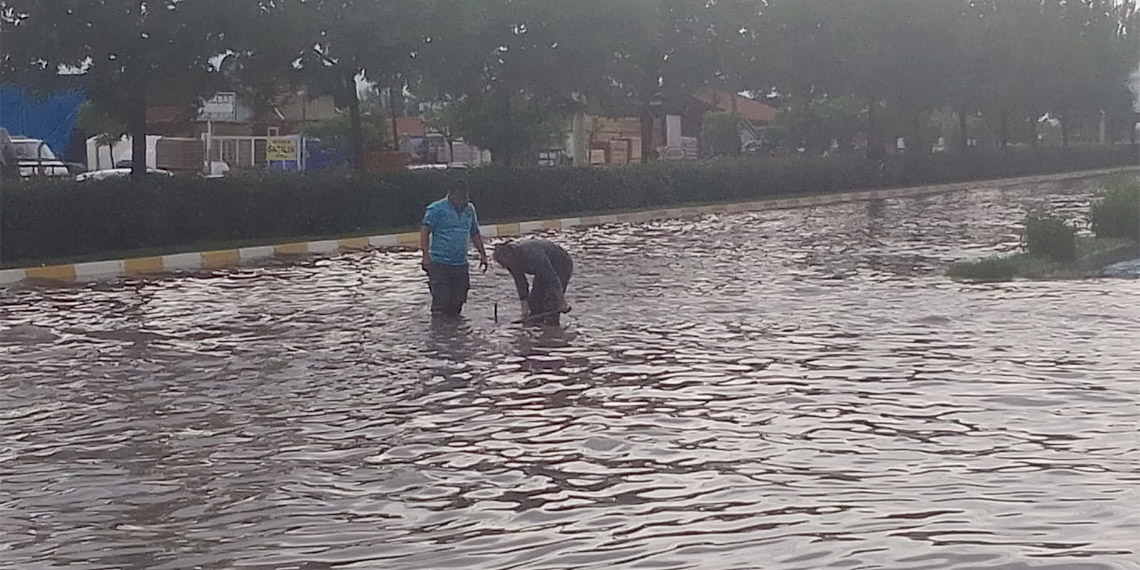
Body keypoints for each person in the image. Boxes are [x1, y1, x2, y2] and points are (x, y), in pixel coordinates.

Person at [420, 180, 488, 317]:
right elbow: (424, 232)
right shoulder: (436, 209)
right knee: (441, 301)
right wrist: (425, 255)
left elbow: (474, 233)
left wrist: (483, 255)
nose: (463, 200)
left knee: (459, 299)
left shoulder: (469, 209)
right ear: (451, 195)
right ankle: (440, 333)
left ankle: (455, 333)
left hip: (460, 263)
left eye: (466, 196)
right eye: (460, 197)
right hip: (440, 263)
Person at [493, 239, 573, 325]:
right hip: (541, 270)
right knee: (535, 302)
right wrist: (525, 310)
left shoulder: (533, 254)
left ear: (510, 255)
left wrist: (562, 302)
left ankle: (553, 329)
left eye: (503, 263)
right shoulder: (510, 262)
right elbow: (521, 283)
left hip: (561, 265)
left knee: (551, 302)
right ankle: (537, 329)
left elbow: (551, 278)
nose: (505, 266)